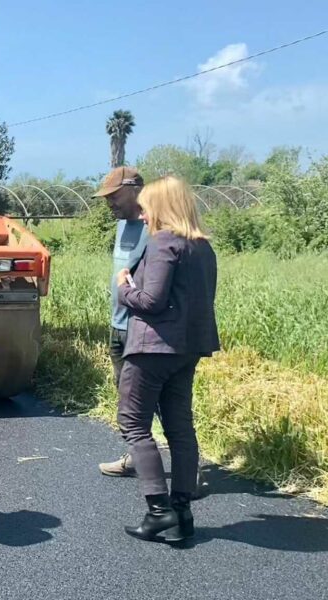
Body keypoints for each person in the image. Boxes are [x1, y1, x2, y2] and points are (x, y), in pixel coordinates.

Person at [115, 176, 219, 543]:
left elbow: (151, 302)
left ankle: (159, 512)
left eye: (146, 208)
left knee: (133, 422)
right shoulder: (203, 247)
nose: (142, 216)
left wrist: (125, 287)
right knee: (179, 426)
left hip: (153, 348)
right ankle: (183, 511)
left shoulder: (163, 244)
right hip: (189, 348)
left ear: (161, 207)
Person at [93, 166, 147, 477]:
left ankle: (186, 469)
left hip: (144, 330)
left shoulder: (157, 226)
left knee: (159, 400)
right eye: (106, 198)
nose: (109, 203)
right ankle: (136, 455)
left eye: (114, 196)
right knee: (127, 398)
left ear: (134, 189)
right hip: (119, 325)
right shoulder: (121, 226)